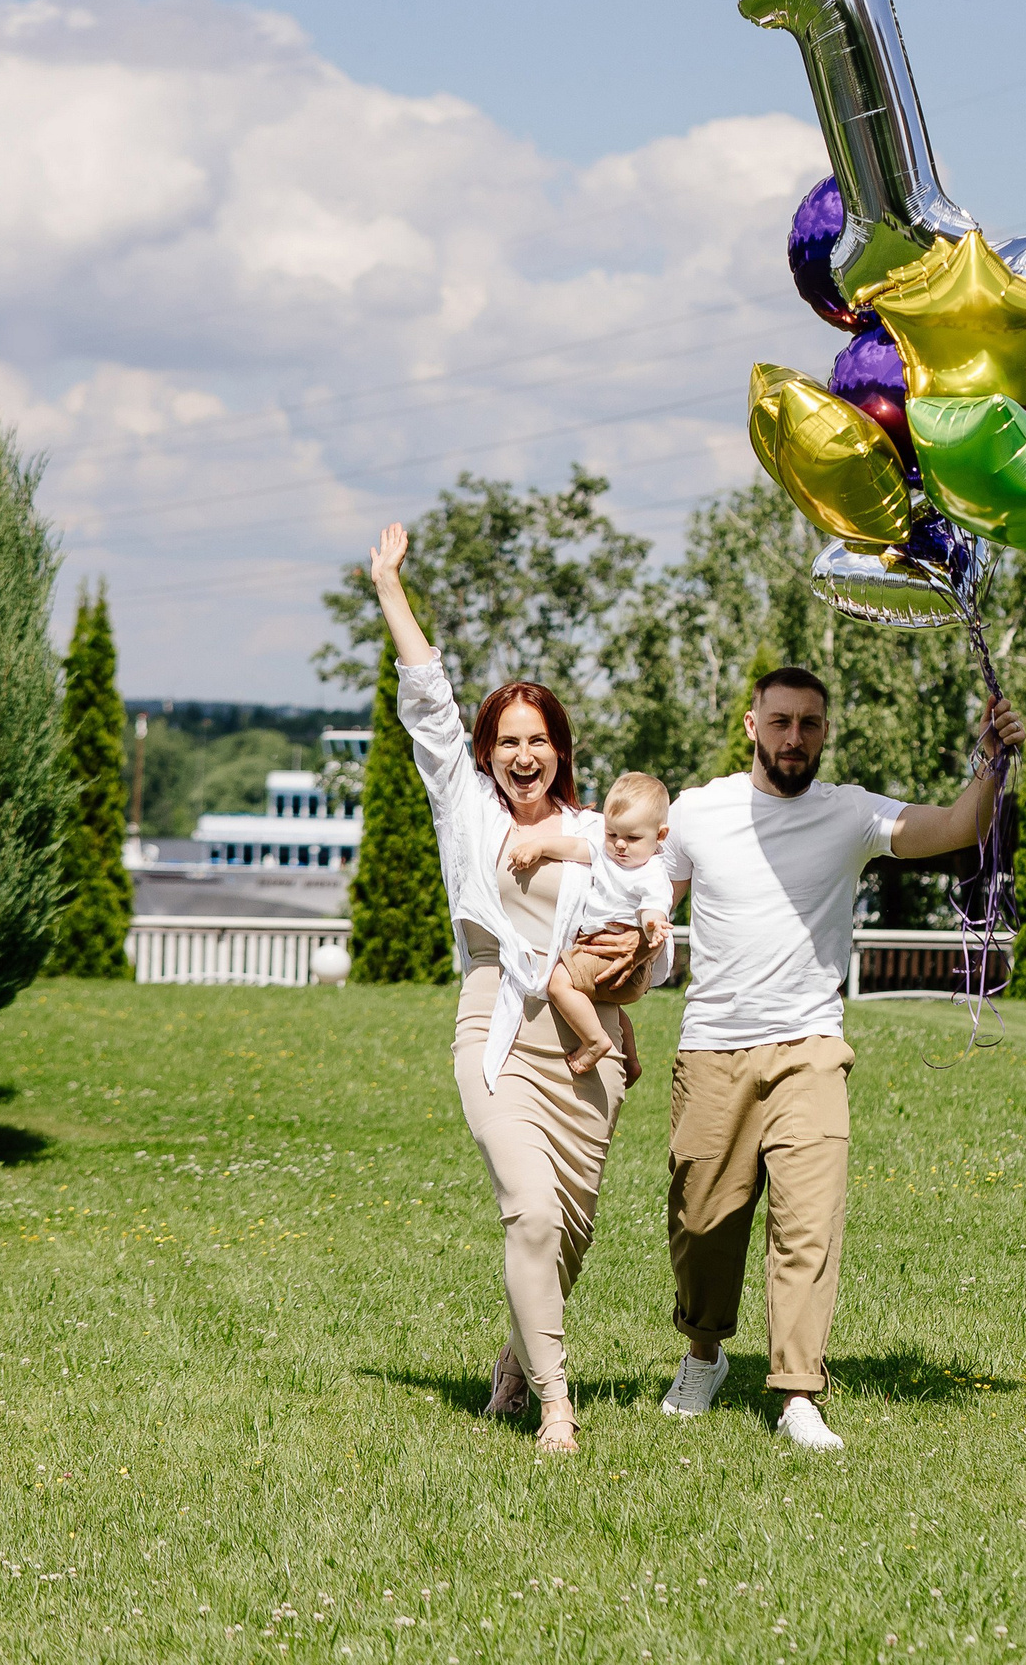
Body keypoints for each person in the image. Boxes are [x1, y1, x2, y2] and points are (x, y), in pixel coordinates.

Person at [656, 663, 1023, 1451]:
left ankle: (797, 1392)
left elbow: (957, 826)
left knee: (808, 1223)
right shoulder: (698, 812)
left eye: (810, 724)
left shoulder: (849, 813)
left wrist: (990, 760)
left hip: (811, 1048)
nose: (795, 737)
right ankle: (705, 1353)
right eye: (781, 721)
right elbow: (653, 898)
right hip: (712, 1047)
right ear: (752, 725)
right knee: (701, 1225)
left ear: (825, 733)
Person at [366, 522, 658, 1453]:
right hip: (495, 1023)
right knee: (528, 1209)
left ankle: (511, 1357)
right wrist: (389, 589)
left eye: (538, 740)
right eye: (507, 740)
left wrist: (631, 940)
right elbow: (429, 702)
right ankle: (556, 1405)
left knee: (567, 1234)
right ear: (487, 752)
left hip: (590, 1049)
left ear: (560, 749)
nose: (522, 754)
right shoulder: (466, 803)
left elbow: (641, 922)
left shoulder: (592, 828)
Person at [509, 771, 676, 1084]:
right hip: (599, 953)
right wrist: (540, 846)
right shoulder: (606, 852)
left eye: (633, 838)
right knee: (599, 1005)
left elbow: (655, 905)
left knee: (558, 983)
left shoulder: (652, 872)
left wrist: (651, 924)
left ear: (661, 835)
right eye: (612, 835)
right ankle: (631, 1059)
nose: (620, 845)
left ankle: (595, 1043)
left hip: (620, 958)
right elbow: (572, 848)